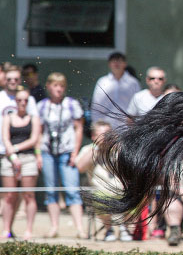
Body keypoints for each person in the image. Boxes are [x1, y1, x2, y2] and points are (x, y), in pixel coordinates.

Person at [38, 72, 86, 239]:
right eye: (55, 85)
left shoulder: (72, 104)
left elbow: (79, 128)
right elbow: (39, 131)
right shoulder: (42, 106)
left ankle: (80, 228)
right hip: (48, 152)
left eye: (61, 86)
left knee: (72, 190)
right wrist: (38, 154)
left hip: (67, 152)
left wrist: (75, 152)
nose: (58, 89)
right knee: (51, 191)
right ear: (49, 86)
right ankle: (54, 227)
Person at [76, 120, 132, 242]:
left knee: (138, 196)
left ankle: (124, 228)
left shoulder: (119, 149)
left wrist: (116, 148)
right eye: (101, 135)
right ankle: (109, 229)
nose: (105, 138)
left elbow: (131, 168)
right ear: (94, 137)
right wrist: (97, 148)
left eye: (108, 134)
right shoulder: (88, 150)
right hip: (101, 192)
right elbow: (80, 167)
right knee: (101, 197)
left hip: (122, 191)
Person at [1, 87, 42, 239]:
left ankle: (29, 230)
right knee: (9, 195)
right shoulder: (8, 117)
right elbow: (5, 138)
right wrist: (13, 156)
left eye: (26, 100)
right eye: (19, 100)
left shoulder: (34, 118)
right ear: (15, 101)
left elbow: (33, 139)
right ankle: (6, 229)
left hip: (28, 158)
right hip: (10, 159)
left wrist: (15, 149)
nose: (22, 103)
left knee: (29, 195)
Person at [91, 51, 140, 129]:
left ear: (125, 64)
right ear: (109, 64)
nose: (116, 64)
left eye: (119, 61)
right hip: (106, 127)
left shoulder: (133, 82)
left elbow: (137, 105)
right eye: (113, 61)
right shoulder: (102, 81)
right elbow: (96, 106)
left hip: (127, 127)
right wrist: (97, 126)